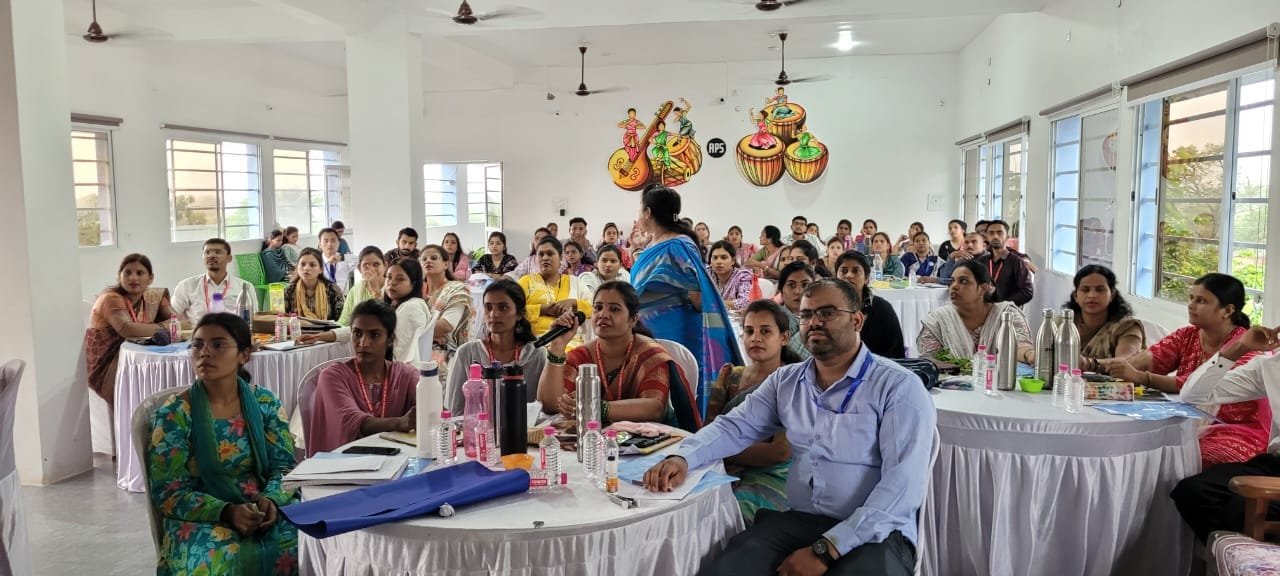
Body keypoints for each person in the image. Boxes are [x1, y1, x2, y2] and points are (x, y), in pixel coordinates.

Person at [643, 279, 937, 576]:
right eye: (806, 315)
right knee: (728, 568)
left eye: (827, 313)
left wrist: (827, 549)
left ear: (857, 320)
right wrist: (683, 457)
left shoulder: (898, 387)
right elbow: (734, 427)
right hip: (803, 520)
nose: (814, 322)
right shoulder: (787, 381)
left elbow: (903, 485)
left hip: (876, 531)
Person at [146, 313, 298, 576]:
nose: (204, 352)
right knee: (227, 560)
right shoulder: (175, 414)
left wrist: (271, 499)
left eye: (218, 344)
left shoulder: (265, 403)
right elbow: (168, 492)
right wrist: (226, 511)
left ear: (244, 355)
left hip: (263, 508)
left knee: (309, 543)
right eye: (197, 345)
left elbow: (285, 467)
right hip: (201, 518)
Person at [1107, 273, 1269, 467]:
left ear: (1227, 310)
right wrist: (1106, 367)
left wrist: (1142, 378)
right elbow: (1149, 360)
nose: (1191, 305)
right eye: (1191, 298)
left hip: (1236, 430)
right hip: (1189, 423)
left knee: (1179, 458)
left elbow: (1201, 386)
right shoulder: (1188, 335)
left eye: (1201, 301)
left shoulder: (1245, 346)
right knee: (1136, 448)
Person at [631, 184, 743, 417]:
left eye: (640, 209)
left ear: (648, 212)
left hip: (678, 331)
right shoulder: (653, 244)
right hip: (649, 330)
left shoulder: (679, 245)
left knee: (681, 390)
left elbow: (699, 295)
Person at [537, 282, 702, 431]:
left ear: (633, 319)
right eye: (598, 307)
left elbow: (654, 408)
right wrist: (557, 347)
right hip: (590, 440)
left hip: (644, 442)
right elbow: (550, 406)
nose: (603, 314)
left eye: (614, 309)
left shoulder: (650, 355)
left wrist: (597, 408)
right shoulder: (581, 356)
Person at [1171, 323, 1280, 543]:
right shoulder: (1271, 366)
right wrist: (1239, 347)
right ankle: (1230, 555)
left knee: (1239, 509)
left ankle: (1243, 555)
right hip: (1275, 464)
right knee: (1193, 492)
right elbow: (1193, 395)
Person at [708, 299, 800, 525]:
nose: (755, 338)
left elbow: (779, 452)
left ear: (784, 338)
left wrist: (720, 449)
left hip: (773, 473)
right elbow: (709, 429)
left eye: (765, 331)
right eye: (749, 331)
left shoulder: (793, 384)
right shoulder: (730, 376)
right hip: (721, 466)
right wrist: (714, 449)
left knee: (729, 515)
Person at [308, 300, 417, 456]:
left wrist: (426, 411)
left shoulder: (406, 375)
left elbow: (435, 411)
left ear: (390, 339)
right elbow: (353, 421)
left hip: (397, 461)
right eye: (357, 333)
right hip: (345, 464)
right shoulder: (332, 377)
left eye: (375, 335)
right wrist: (400, 423)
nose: (363, 343)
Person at [85, 254, 177, 405]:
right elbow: (127, 329)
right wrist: (165, 327)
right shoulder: (110, 299)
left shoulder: (154, 297)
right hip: (110, 364)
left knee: (171, 375)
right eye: (127, 273)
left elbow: (179, 321)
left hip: (142, 359)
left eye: (140, 273)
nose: (133, 278)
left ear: (151, 278)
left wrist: (171, 325)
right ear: (119, 276)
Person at [300, 259, 432, 363]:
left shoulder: (412, 308)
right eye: (389, 277)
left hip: (400, 375)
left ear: (414, 283)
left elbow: (400, 354)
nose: (391, 283)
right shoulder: (395, 305)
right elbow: (359, 329)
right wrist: (319, 336)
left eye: (400, 279)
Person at [446, 280, 547, 414]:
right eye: (488, 308)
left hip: (526, 426)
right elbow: (454, 410)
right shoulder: (467, 353)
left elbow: (545, 409)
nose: (494, 314)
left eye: (503, 308)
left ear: (519, 314)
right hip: (478, 427)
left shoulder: (536, 354)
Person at [917, 260, 1035, 364]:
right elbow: (931, 359)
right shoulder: (938, 321)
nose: (954, 286)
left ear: (983, 289)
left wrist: (1030, 355)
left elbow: (1019, 346)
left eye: (963, 281)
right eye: (952, 281)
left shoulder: (1006, 315)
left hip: (998, 380)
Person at [1065, 265, 1145, 371]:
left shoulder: (1127, 327)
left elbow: (1126, 362)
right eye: (1085, 290)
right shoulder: (1063, 324)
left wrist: (1088, 363)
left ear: (1112, 294)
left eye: (1100, 290)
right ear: (1075, 296)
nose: (1092, 295)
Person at [834, 251, 906, 358]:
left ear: (866, 279)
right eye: (844, 271)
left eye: (855, 271)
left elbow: (896, 352)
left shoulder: (882, 308)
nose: (849, 275)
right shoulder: (828, 308)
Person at [172, 238, 260, 324]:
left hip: (233, 332)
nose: (211, 255)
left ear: (229, 258)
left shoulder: (245, 287)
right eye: (207, 252)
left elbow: (253, 317)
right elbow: (173, 313)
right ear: (203, 257)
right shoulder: (187, 285)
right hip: (198, 332)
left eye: (217, 252)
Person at [518, 236, 592, 338]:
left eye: (550, 254)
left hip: (571, 341)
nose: (545, 258)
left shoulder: (575, 282)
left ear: (561, 258)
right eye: (541, 254)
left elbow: (593, 309)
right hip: (534, 341)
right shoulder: (526, 281)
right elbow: (513, 312)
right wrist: (542, 309)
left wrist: (574, 303)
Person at [420, 245, 473, 383]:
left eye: (433, 258)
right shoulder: (415, 291)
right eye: (424, 259)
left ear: (445, 264)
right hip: (415, 353)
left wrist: (412, 328)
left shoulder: (456, 290)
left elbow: (446, 326)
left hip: (447, 355)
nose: (428, 261)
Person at [976, 219, 1033, 306]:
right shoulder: (981, 261)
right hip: (982, 307)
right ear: (987, 237)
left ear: (1007, 237)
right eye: (991, 233)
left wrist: (1004, 305)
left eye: (1000, 233)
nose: (995, 236)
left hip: (1006, 310)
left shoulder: (1017, 262)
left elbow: (1027, 292)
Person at [284, 248, 343, 322]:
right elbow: (283, 318)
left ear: (321, 269)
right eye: (303, 264)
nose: (306, 268)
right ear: (297, 267)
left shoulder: (333, 290)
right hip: (297, 329)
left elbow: (340, 320)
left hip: (328, 329)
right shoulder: (289, 291)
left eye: (312, 265)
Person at [337, 246, 386, 327]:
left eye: (376, 264)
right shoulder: (355, 290)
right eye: (366, 265)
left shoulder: (391, 288)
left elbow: (387, 321)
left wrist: (375, 291)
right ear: (359, 269)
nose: (371, 269)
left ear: (385, 266)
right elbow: (344, 322)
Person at [777, 262, 815, 361]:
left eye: (805, 285)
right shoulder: (774, 320)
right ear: (781, 291)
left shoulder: (822, 319)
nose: (798, 291)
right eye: (791, 285)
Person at [922, 232, 986, 285]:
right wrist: (951, 257)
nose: (969, 245)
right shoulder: (962, 260)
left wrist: (935, 280)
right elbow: (945, 276)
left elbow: (965, 281)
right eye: (966, 242)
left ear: (984, 246)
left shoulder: (987, 260)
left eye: (974, 242)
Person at [708, 240, 754, 311]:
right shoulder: (707, 273)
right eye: (715, 258)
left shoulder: (743, 276)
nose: (718, 262)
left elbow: (745, 302)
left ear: (733, 261)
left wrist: (715, 303)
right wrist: (729, 303)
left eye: (724, 257)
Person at [317, 227, 352, 294]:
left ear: (338, 243)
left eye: (333, 240)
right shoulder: (316, 261)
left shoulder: (344, 260)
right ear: (320, 245)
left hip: (342, 297)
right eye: (326, 241)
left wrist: (342, 258)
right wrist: (327, 262)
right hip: (321, 297)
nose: (329, 244)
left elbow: (360, 260)